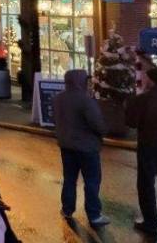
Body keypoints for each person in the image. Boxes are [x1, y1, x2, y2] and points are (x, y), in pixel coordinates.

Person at [52, 69, 109, 226]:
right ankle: (94, 214)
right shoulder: (85, 100)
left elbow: (55, 120)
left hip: (66, 145)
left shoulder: (58, 99)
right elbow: (97, 124)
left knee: (69, 179)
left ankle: (67, 209)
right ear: (80, 82)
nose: (87, 84)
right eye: (85, 81)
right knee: (91, 181)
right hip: (87, 147)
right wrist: (104, 131)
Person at [125, 67, 157, 237]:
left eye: (146, 78)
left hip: (149, 146)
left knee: (146, 184)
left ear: (151, 80)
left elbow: (131, 122)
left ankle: (151, 223)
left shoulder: (142, 99)